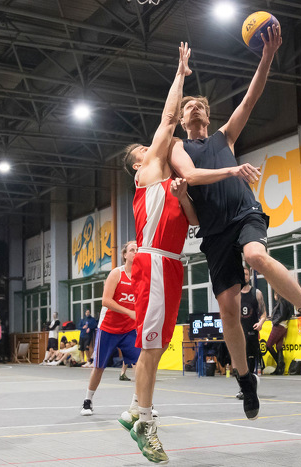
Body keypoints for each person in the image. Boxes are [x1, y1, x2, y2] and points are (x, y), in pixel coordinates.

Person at [169, 24, 301, 418]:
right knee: (228, 310)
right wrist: (229, 173)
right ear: (181, 119)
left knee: (256, 256)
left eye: (200, 106)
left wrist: (267, 55)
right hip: (214, 231)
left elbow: (250, 98)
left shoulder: (224, 137)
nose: (194, 108)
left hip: (244, 213)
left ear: (209, 115)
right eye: (188, 107)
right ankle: (246, 380)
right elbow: (192, 181)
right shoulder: (178, 147)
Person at [120, 42, 197, 464]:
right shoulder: (149, 172)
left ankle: (135, 407)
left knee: (159, 344)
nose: (151, 149)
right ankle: (145, 422)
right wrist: (181, 74)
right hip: (152, 262)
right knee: (150, 348)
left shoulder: (174, 183)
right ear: (138, 165)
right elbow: (168, 119)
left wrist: (186, 196)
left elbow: (194, 221)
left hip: (171, 265)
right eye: (142, 150)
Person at [81, 241, 141, 416]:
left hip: (129, 329)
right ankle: (88, 401)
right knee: (99, 367)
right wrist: (129, 312)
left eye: (138, 250)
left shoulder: (141, 276)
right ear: (125, 255)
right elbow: (106, 301)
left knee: (141, 365)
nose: (135, 252)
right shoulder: (117, 273)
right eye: (132, 250)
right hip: (108, 328)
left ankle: (142, 402)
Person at [240, 267, 267, 379]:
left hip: (252, 333)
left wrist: (260, 323)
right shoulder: (235, 295)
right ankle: (242, 384)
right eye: (242, 274)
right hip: (239, 334)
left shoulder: (257, 293)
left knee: (251, 363)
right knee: (240, 363)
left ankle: (249, 384)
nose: (244, 276)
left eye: (246, 274)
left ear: (250, 276)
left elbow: (264, 314)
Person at [267, 291, 293, 375]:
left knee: (268, 345)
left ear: (277, 294)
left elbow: (281, 315)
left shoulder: (281, 301)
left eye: (274, 294)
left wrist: (274, 321)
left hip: (279, 326)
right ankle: (279, 368)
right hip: (283, 326)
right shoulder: (286, 301)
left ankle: (280, 364)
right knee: (278, 347)